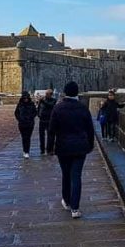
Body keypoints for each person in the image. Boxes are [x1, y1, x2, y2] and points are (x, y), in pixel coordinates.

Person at [48, 81, 95, 219]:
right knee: (76, 176)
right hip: (80, 147)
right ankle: (75, 208)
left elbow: (51, 130)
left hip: (63, 147)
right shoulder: (83, 108)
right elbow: (90, 129)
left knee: (66, 174)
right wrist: (90, 145)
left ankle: (67, 201)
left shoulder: (58, 108)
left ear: (65, 92)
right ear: (77, 92)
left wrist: (49, 148)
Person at [14, 91, 38, 159]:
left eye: (27, 98)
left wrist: (31, 117)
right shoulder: (20, 104)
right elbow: (16, 113)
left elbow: (35, 112)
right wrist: (19, 119)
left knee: (28, 137)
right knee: (24, 138)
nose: (26, 99)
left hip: (30, 123)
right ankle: (25, 151)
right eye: (25, 98)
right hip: (22, 124)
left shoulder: (31, 104)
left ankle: (27, 151)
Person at [37, 89, 57, 155]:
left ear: (50, 95)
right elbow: (39, 107)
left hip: (49, 120)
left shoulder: (53, 100)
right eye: (46, 94)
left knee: (50, 136)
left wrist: (42, 101)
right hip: (42, 120)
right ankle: (42, 149)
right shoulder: (43, 100)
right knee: (41, 136)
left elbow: (50, 105)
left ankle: (49, 149)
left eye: (47, 94)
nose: (46, 95)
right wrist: (38, 114)